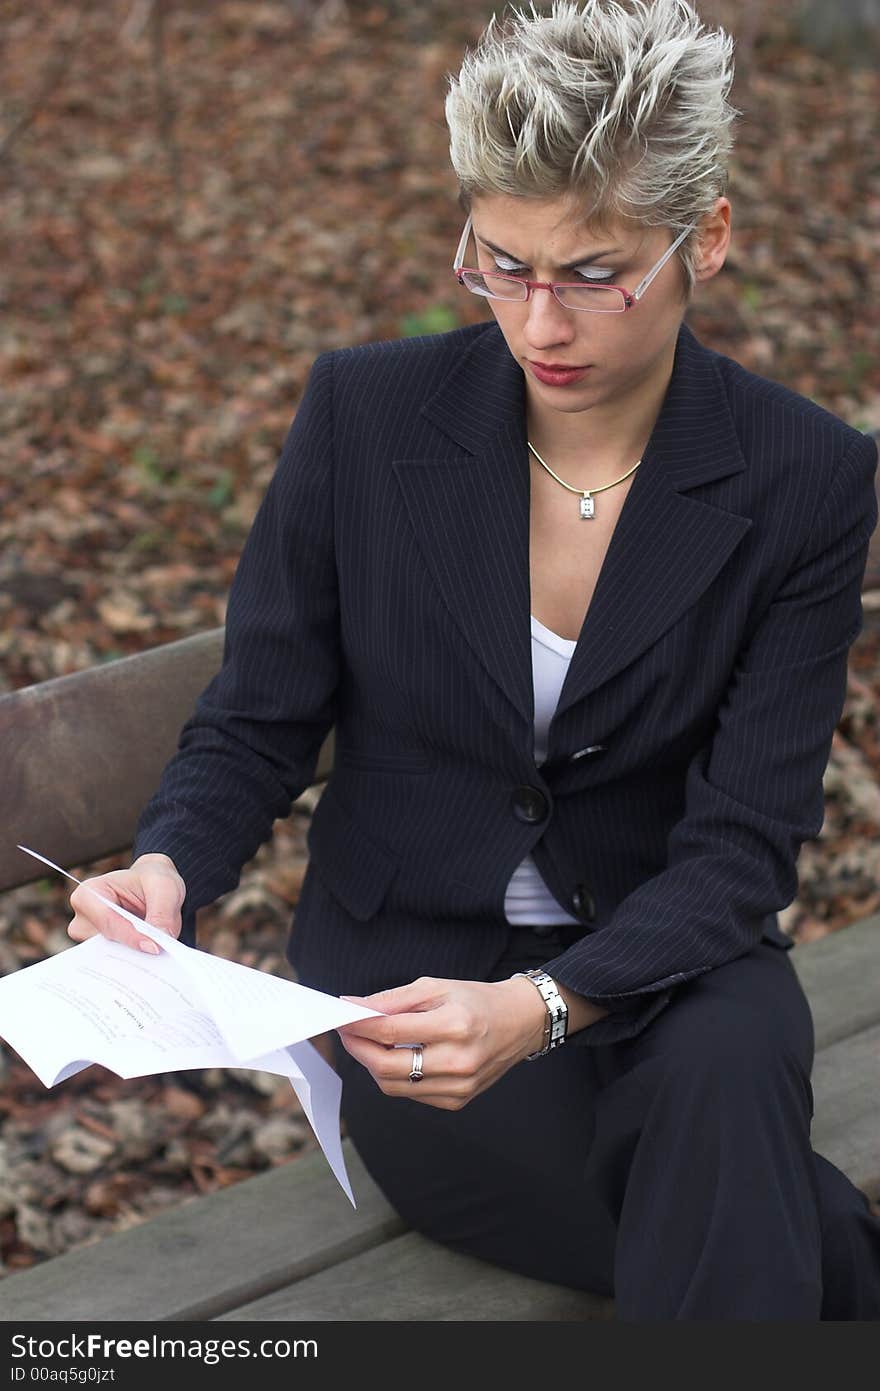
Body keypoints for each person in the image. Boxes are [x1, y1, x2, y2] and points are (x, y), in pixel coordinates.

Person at [67, 0, 880, 1320]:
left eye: (593, 271)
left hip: (673, 958)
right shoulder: (365, 417)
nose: (541, 322)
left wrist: (552, 1003)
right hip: (413, 1007)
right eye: (502, 264)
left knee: (727, 1068)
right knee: (809, 1250)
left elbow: (743, 849)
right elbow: (257, 718)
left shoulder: (805, 477)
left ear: (707, 239)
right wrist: (169, 864)